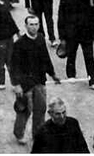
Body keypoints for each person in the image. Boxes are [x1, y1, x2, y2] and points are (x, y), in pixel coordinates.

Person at [11, 15, 61, 145]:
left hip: (39, 82)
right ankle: (19, 133)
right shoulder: (19, 44)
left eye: (36, 24)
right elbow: (14, 66)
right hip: (25, 84)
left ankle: (38, 134)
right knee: (25, 111)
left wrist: (53, 74)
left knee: (40, 110)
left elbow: (45, 57)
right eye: (31, 24)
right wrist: (17, 85)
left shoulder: (40, 39)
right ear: (26, 26)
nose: (34, 27)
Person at [57, 0, 94, 90]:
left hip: (86, 33)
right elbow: (61, 19)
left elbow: (93, 13)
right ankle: (71, 74)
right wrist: (62, 37)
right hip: (71, 34)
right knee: (71, 54)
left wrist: (91, 0)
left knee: (89, 57)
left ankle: (93, 80)